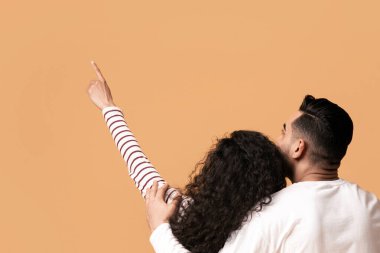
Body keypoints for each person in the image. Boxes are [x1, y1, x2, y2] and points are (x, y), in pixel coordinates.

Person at [86, 61, 292, 253]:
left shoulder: (183, 212)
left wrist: (108, 107)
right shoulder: (275, 230)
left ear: (215, 176)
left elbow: (138, 165)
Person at [145, 95, 380, 252]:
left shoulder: (276, 213)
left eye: (283, 132)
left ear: (299, 147)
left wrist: (159, 230)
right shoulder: (371, 206)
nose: (277, 140)